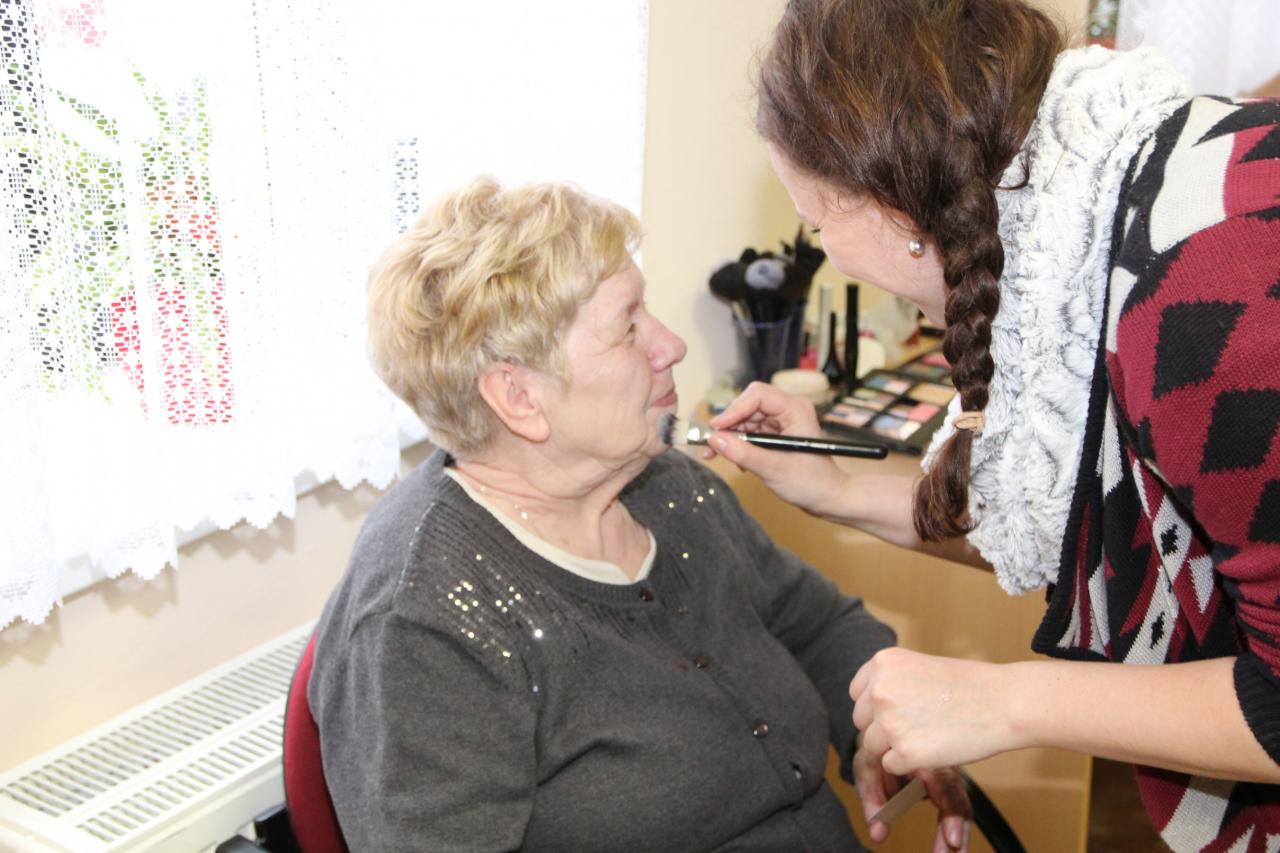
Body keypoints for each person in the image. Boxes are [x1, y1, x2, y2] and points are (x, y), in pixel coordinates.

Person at [706, 0, 1280, 849]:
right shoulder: (1080, 241)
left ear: (893, 201)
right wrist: (837, 490)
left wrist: (1001, 702)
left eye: (816, 224)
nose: (822, 252)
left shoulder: (1198, 287)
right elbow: (1066, 516)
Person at [308, 177, 969, 851]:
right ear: (519, 397)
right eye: (628, 327)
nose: (671, 345)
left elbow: (819, 626)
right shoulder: (422, 624)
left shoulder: (667, 487)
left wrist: (888, 730)